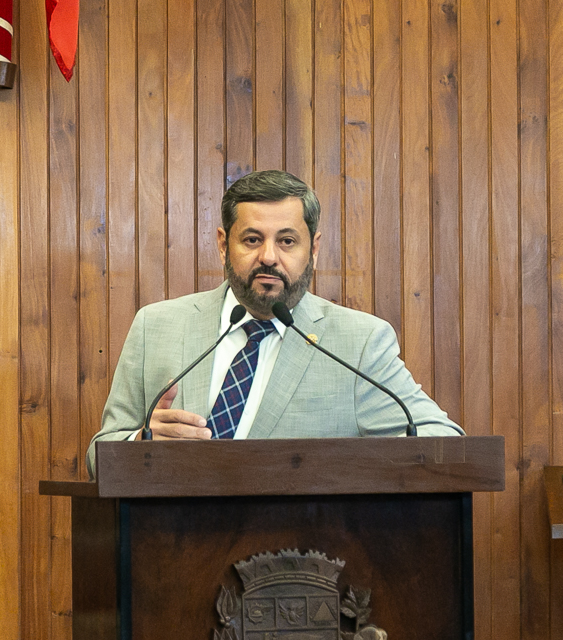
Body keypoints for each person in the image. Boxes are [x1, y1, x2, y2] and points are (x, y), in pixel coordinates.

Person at [86, 170, 462, 476]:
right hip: (169, 539)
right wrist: (140, 444)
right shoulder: (156, 326)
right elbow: (97, 458)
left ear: (313, 249)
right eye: (252, 240)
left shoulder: (358, 343)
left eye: (287, 241)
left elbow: (443, 442)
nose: (268, 256)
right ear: (223, 245)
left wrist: (335, 468)